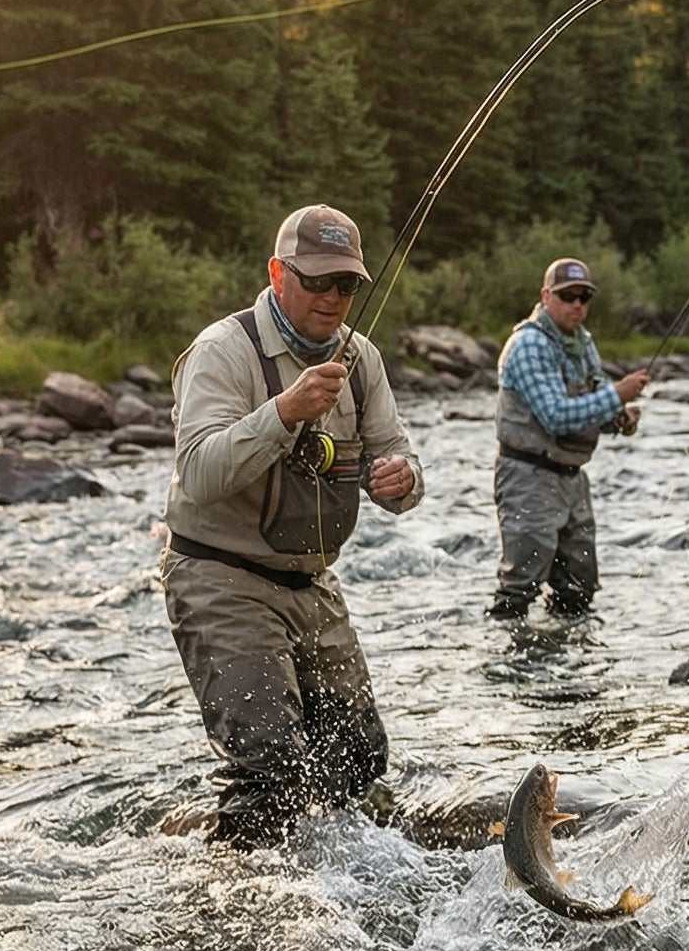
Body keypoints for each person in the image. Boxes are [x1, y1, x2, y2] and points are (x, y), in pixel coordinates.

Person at [161, 204, 423, 848]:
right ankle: (234, 889)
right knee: (271, 770)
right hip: (219, 576)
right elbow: (198, 472)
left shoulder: (363, 360)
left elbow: (399, 455)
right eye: (317, 280)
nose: (333, 297)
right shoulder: (223, 351)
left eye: (347, 284)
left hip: (311, 584)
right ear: (278, 274)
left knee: (358, 758)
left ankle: (341, 879)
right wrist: (284, 412)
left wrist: (403, 481)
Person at [488, 257, 649, 619]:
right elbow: (556, 416)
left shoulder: (582, 342)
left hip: (572, 480)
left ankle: (567, 653)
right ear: (546, 296)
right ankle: (505, 650)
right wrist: (617, 395)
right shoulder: (528, 345)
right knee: (519, 586)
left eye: (584, 297)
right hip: (528, 479)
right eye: (567, 296)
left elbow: (591, 403)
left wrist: (618, 419)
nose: (577, 304)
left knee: (579, 585)